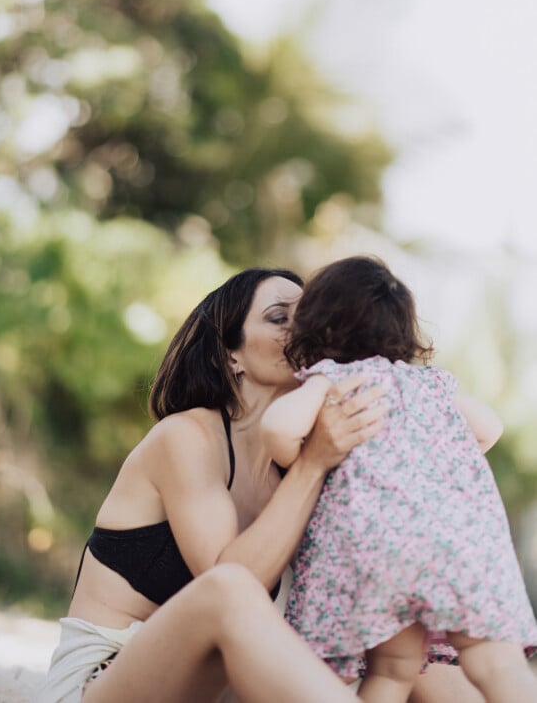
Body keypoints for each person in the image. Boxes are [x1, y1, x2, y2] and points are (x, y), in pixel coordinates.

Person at [39, 268, 388, 703]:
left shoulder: (304, 461)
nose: (303, 330)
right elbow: (231, 577)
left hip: (215, 691)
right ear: (229, 356)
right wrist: (313, 466)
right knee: (228, 587)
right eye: (280, 317)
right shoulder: (185, 437)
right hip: (100, 681)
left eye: (310, 317)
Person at [261, 255, 537, 703]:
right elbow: (488, 428)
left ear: (316, 326)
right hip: (461, 543)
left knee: (391, 670)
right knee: (496, 660)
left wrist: (299, 457)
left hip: (379, 549)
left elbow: (278, 428)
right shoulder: (431, 384)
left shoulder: (332, 378)